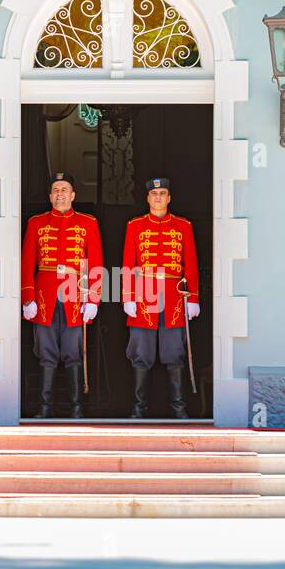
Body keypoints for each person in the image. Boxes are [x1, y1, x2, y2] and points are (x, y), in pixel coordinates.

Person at [20, 172, 103, 417]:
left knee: (73, 353)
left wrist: (93, 299)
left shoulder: (89, 223)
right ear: (50, 195)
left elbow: (96, 262)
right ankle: (45, 409)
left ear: (73, 195)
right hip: (44, 293)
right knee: (46, 354)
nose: (60, 194)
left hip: (74, 294)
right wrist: (28, 297)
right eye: (56, 190)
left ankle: (77, 408)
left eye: (64, 189)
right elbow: (27, 263)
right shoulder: (36, 222)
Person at [122, 177, 200, 418]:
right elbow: (128, 263)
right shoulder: (134, 226)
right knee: (141, 355)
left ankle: (179, 408)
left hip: (174, 297)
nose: (158, 197)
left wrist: (194, 297)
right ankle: (138, 408)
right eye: (154, 194)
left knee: (174, 354)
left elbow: (192, 264)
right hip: (143, 295)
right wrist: (128, 296)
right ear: (147, 198)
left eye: (163, 193)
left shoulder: (183, 226)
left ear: (169, 198)